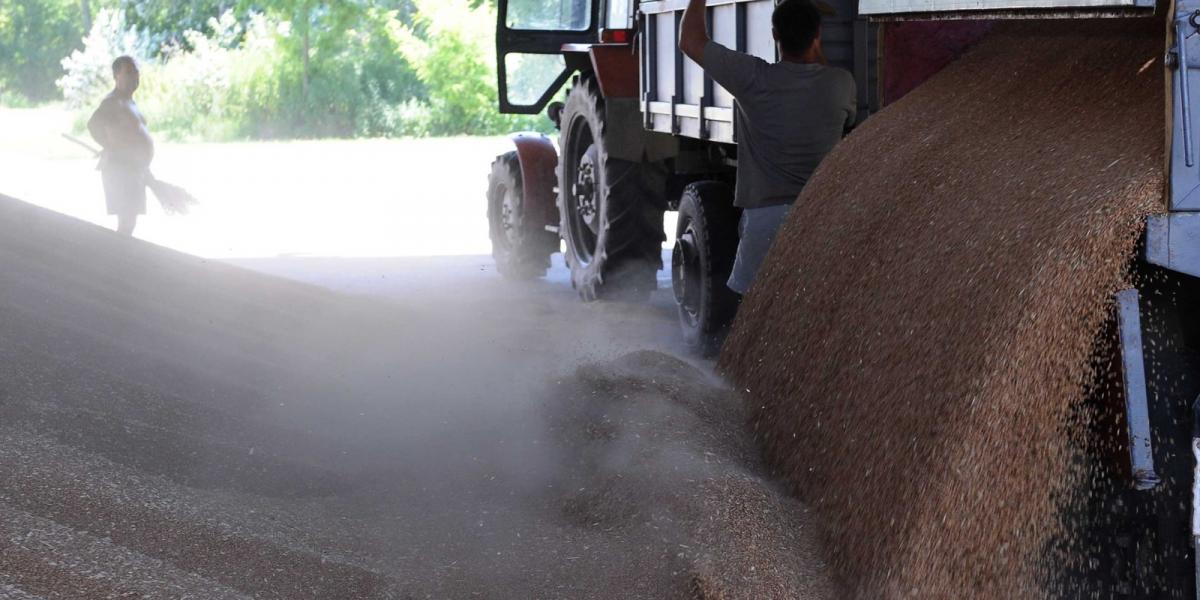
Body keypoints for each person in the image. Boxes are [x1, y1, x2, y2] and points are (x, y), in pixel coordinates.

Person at [678, 0, 856, 295]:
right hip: (821, 217)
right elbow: (824, 79)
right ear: (818, 34)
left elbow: (690, 41)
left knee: (754, 322)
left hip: (766, 220)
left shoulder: (752, 78)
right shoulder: (840, 84)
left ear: (775, 35)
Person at [88, 55, 154, 237]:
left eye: (136, 72)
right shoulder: (112, 102)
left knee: (130, 221)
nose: (134, 76)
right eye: (128, 72)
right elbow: (93, 124)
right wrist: (110, 146)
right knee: (127, 220)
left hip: (133, 168)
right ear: (116, 76)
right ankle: (118, 258)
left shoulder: (129, 101)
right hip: (120, 169)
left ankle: (121, 256)